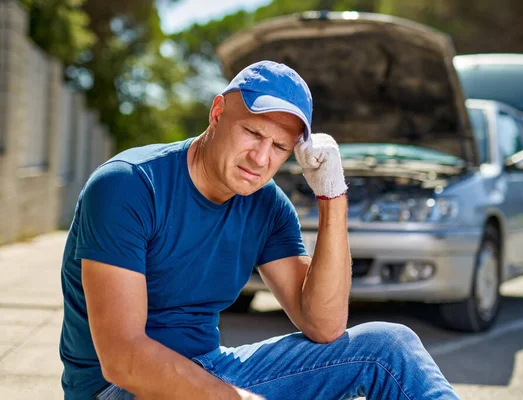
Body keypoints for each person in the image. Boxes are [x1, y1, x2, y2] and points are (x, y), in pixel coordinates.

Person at [59, 60, 460, 399]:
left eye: (280, 147)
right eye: (252, 133)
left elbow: (323, 325)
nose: (261, 158)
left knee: (388, 346)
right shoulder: (128, 185)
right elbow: (123, 357)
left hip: (210, 370)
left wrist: (333, 197)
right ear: (217, 113)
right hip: (116, 389)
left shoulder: (265, 204)